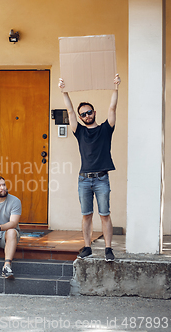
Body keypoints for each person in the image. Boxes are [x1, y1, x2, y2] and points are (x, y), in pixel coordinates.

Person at [59, 74, 121, 262]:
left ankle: (108, 249)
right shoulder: (80, 131)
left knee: (104, 214)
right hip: (84, 179)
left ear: (94, 112)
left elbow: (112, 107)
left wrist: (115, 87)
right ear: (80, 117)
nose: (87, 115)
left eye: (89, 112)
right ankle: (87, 247)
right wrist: (64, 92)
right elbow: (69, 111)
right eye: (83, 114)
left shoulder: (106, 128)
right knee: (86, 215)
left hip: (102, 178)